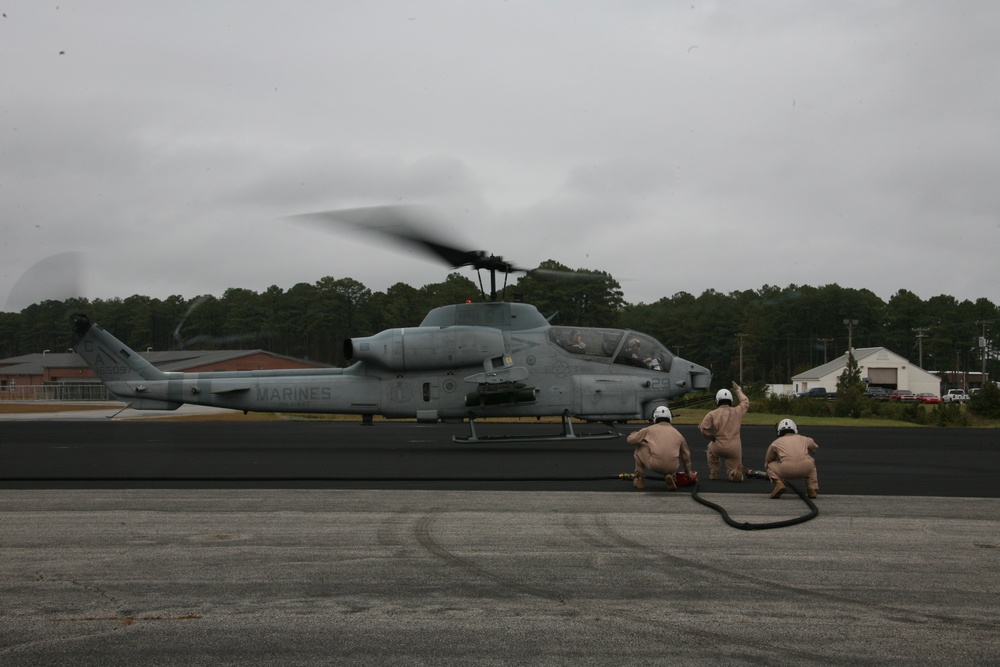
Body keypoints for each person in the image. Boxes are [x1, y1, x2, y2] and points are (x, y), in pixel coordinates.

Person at [626, 406, 693, 491]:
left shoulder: (649, 430)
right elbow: (686, 455)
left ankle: (640, 478)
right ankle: (671, 476)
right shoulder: (678, 434)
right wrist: (688, 473)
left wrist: (635, 434)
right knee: (673, 452)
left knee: (640, 446)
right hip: (673, 467)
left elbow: (631, 440)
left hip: (656, 465)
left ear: (655, 417)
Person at [699, 381, 750, 482]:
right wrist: (738, 390)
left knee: (710, 449)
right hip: (735, 447)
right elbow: (746, 402)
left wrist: (711, 437)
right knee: (734, 467)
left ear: (717, 401)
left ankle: (714, 471)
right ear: (730, 400)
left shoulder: (712, 414)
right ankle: (734, 473)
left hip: (718, 446)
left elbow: (704, 429)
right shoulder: (737, 411)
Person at [764, 418, 819, 499]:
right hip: (805, 468)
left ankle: (779, 484)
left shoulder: (775, 443)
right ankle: (812, 489)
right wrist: (812, 450)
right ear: (795, 429)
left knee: (769, 465)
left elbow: (769, 460)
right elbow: (815, 446)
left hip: (786, 470)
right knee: (811, 461)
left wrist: (770, 472)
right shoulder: (804, 439)